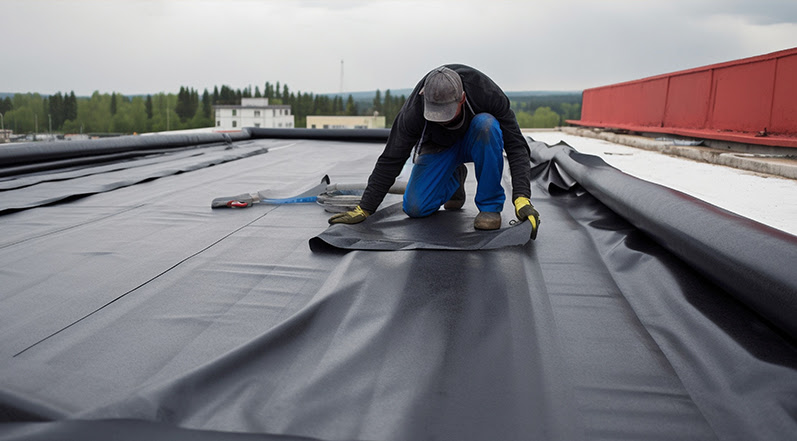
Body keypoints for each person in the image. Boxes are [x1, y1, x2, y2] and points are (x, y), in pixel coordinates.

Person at [329, 64, 540, 238]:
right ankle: (454, 178)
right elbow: (392, 157)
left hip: (476, 139)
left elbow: (516, 145)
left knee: (487, 125)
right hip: (438, 146)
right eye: (436, 113)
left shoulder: (485, 92)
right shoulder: (414, 111)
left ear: (463, 98)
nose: (442, 118)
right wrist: (366, 207)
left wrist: (522, 197)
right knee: (415, 208)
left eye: (447, 112)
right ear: (424, 96)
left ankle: (490, 207)